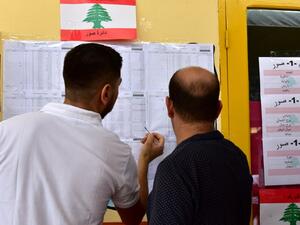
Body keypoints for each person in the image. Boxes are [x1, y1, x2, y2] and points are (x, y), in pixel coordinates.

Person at [0, 43, 164, 225]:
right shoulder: (114, 150)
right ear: (106, 93)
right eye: (118, 87)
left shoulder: (6, 130)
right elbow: (133, 218)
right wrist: (145, 158)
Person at [147, 66, 253, 225]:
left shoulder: (174, 168)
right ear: (218, 109)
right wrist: (144, 161)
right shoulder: (237, 156)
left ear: (169, 106)